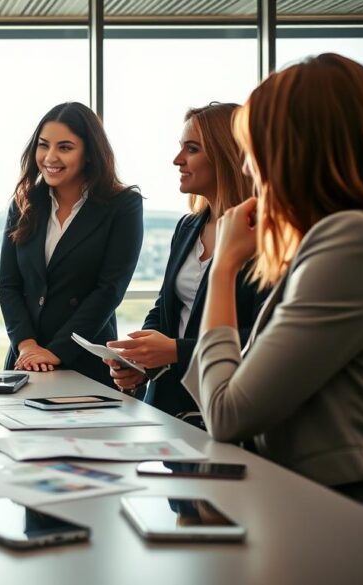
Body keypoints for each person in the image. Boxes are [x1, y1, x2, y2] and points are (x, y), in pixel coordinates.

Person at [184, 53, 363, 508]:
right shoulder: (362, 235)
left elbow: (227, 412)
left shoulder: (354, 241)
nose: (246, 170)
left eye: (256, 150)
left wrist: (223, 268)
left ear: (297, 149)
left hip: (341, 518)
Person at [103, 103, 267, 421]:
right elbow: (166, 307)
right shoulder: (187, 227)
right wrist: (140, 358)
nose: (177, 160)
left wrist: (175, 350)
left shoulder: (262, 233)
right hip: (169, 406)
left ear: (226, 155)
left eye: (191, 149)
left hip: (225, 405)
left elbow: (264, 336)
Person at [0, 102, 142, 386]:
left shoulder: (122, 205)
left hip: (86, 359)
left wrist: (55, 351)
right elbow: (9, 285)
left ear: (89, 153)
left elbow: (110, 289)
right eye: (44, 145)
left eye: (65, 147)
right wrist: (27, 346)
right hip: (25, 361)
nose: (50, 157)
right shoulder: (25, 203)